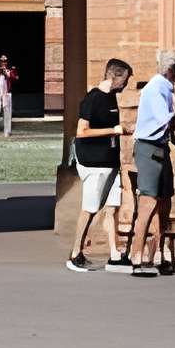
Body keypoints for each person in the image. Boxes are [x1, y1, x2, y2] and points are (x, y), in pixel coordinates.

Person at [125, 51, 175, 277]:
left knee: (165, 201)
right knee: (147, 201)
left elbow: (168, 130)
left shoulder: (165, 88)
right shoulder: (157, 87)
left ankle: (156, 253)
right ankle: (136, 255)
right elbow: (162, 118)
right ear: (171, 69)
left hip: (161, 148)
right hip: (149, 148)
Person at [68, 57, 131, 269]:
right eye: (125, 79)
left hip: (110, 163)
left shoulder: (112, 97)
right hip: (93, 163)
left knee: (112, 208)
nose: (127, 84)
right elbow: (81, 131)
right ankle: (75, 253)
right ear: (115, 76)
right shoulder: (92, 99)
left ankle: (115, 253)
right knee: (90, 208)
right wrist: (112, 130)